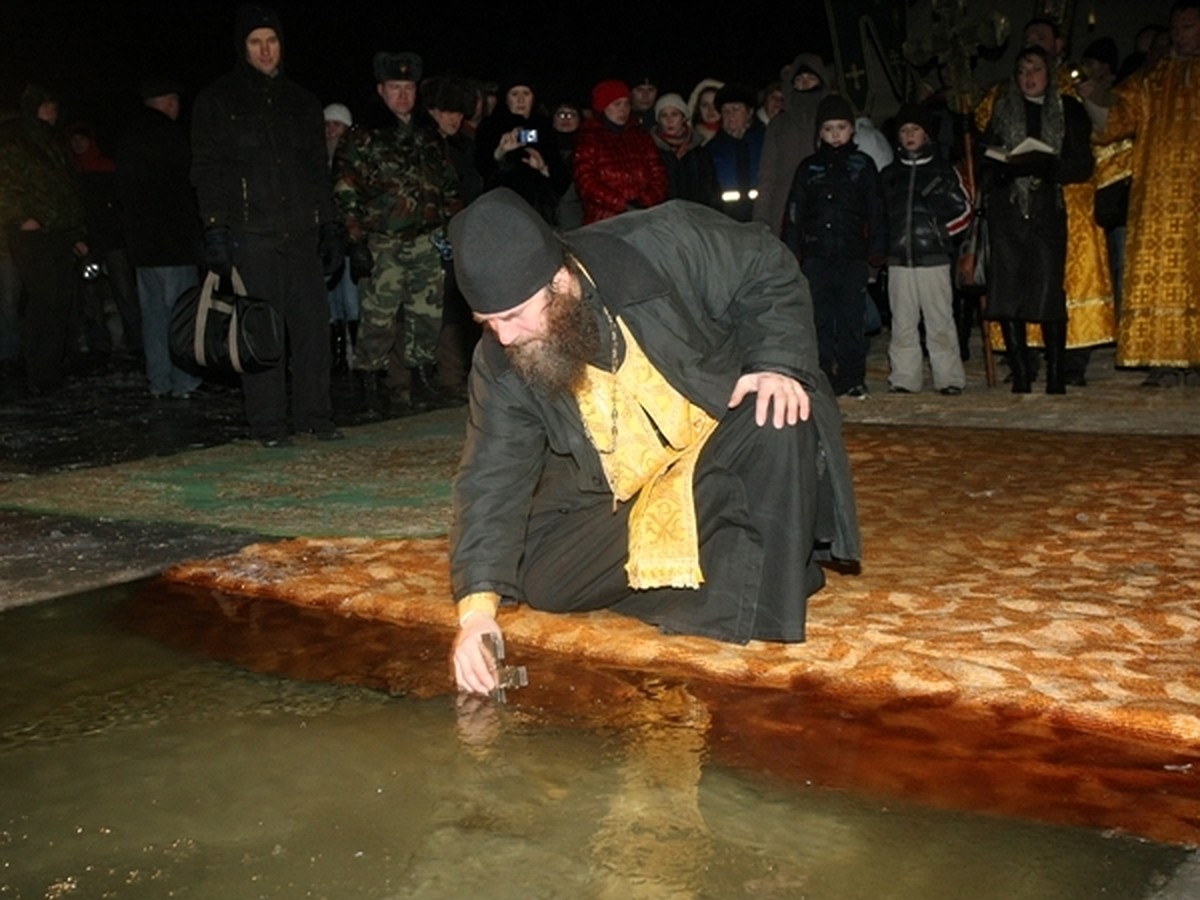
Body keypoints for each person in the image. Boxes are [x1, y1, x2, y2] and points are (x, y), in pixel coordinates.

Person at [446, 188, 860, 695]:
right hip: (623, 493)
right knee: (545, 579)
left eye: (513, 318)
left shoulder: (662, 242)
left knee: (779, 416)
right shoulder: (501, 361)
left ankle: (753, 585)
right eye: (489, 324)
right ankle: (749, 560)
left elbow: (767, 267)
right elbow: (491, 475)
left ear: (561, 281)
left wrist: (774, 363)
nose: (506, 338)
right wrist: (476, 613)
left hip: (720, 439)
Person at [191, 4, 344, 445]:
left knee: (313, 330)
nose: (265, 50)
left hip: (301, 232)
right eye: (256, 42)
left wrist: (330, 224)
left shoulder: (302, 101)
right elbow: (207, 168)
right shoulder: (217, 100)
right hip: (251, 233)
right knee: (262, 333)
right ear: (243, 47)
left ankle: (316, 416)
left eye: (272, 41)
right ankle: (268, 424)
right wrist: (215, 227)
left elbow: (318, 169)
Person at [333, 52, 462, 416]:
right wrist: (355, 240)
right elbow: (346, 190)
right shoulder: (363, 136)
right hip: (383, 241)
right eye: (395, 88)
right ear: (381, 90)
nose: (403, 95)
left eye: (408, 88)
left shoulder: (428, 135)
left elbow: (449, 186)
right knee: (378, 318)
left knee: (426, 316)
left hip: (427, 240)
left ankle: (421, 381)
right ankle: (370, 387)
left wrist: (452, 230)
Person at [1086, 1, 1200, 386]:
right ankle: (1161, 357)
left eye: (1189, 26)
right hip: (1159, 197)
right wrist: (1093, 96)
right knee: (1159, 272)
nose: (1181, 33)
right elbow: (1118, 118)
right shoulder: (1152, 77)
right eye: (1177, 26)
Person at [978, 45, 1094, 395]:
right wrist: (1001, 167)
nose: (1029, 79)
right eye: (1023, 72)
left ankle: (1056, 376)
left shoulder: (1067, 109)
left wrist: (1049, 166)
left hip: (1046, 207)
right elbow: (987, 156)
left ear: (1050, 74)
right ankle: (1022, 374)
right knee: (1008, 290)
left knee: (1047, 292)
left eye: (1036, 71)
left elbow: (1083, 164)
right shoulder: (1002, 109)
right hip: (1008, 209)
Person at [783, 94, 886, 399]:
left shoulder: (863, 165)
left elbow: (877, 209)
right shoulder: (809, 168)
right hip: (816, 255)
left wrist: (876, 251)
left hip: (852, 255)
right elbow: (794, 212)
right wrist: (793, 251)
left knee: (852, 319)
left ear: (852, 129)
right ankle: (823, 375)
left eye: (841, 127)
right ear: (819, 133)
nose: (835, 134)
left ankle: (853, 377)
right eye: (828, 129)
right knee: (819, 319)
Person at [115, 75, 204, 399]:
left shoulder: (128, 138)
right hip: (174, 242)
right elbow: (189, 185)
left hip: (142, 246)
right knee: (180, 313)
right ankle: (184, 381)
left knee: (153, 314)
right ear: (169, 102)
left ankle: (159, 380)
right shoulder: (170, 136)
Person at [0, 84, 87, 395]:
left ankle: (52, 365)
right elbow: (5, 184)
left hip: (59, 233)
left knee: (62, 299)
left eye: (54, 106)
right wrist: (22, 219)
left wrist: (77, 233)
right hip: (32, 235)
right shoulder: (16, 142)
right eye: (46, 106)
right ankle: (40, 371)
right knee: (44, 299)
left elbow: (67, 191)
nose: (52, 112)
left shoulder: (55, 144)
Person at [880, 104, 971, 395]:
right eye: (904, 130)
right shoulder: (889, 175)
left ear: (927, 135)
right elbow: (879, 215)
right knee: (903, 321)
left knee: (940, 319)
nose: (909, 135)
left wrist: (941, 233)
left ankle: (949, 378)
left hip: (933, 257)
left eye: (915, 130)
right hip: (898, 259)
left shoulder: (944, 172)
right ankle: (905, 377)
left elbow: (965, 211)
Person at [754, 54, 832, 237]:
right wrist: (761, 221)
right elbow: (767, 176)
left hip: (825, 213)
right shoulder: (779, 124)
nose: (805, 84)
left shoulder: (830, 118)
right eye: (799, 79)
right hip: (784, 213)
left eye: (811, 78)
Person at [474, 75, 568, 224]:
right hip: (503, 210)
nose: (520, 100)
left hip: (541, 212)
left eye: (526, 93)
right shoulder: (490, 126)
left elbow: (562, 180)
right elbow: (480, 170)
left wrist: (543, 168)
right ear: (506, 98)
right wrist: (500, 152)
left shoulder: (544, 128)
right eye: (515, 94)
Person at [572, 79, 667, 224]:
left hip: (644, 218)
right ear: (603, 107)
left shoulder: (641, 136)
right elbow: (586, 180)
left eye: (626, 103)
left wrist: (645, 200)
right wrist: (620, 203)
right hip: (605, 222)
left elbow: (658, 173)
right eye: (617, 104)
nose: (623, 109)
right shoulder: (589, 138)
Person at [322, 102, 359, 375]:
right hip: (324, 241)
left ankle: (356, 353)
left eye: (337, 124)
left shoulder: (354, 160)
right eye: (328, 124)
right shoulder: (315, 160)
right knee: (330, 302)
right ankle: (337, 356)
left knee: (352, 300)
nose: (331, 130)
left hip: (349, 241)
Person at [706, 84, 766, 222]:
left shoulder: (767, 142)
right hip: (725, 221)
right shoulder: (711, 150)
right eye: (725, 111)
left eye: (736, 109)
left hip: (761, 218)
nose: (730, 115)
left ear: (750, 112)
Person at [650, 92, 720, 208]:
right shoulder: (651, 151)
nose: (669, 120)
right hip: (664, 218)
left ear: (683, 117)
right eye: (664, 115)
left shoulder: (699, 152)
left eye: (674, 114)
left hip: (696, 216)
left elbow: (711, 190)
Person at [686, 78, 724, 144]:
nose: (710, 109)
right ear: (698, 109)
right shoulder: (689, 140)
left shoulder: (734, 137)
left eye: (715, 104)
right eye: (705, 105)